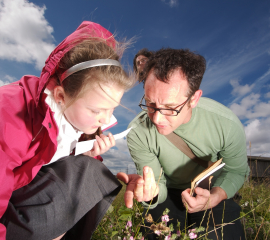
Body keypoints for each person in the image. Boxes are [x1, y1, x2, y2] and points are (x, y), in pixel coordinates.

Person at [0, 21, 134, 240]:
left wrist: (87, 153)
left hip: (19, 199)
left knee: (91, 171)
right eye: (96, 110)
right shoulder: (12, 113)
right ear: (61, 96)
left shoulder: (79, 122)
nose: (106, 119)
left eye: (112, 109)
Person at [117, 48, 249, 239]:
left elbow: (236, 171)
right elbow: (157, 183)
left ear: (194, 98)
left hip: (211, 191)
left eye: (170, 108)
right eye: (150, 104)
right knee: (156, 234)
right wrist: (151, 193)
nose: (157, 118)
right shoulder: (137, 132)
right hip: (168, 193)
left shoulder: (226, 125)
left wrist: (215, 196)